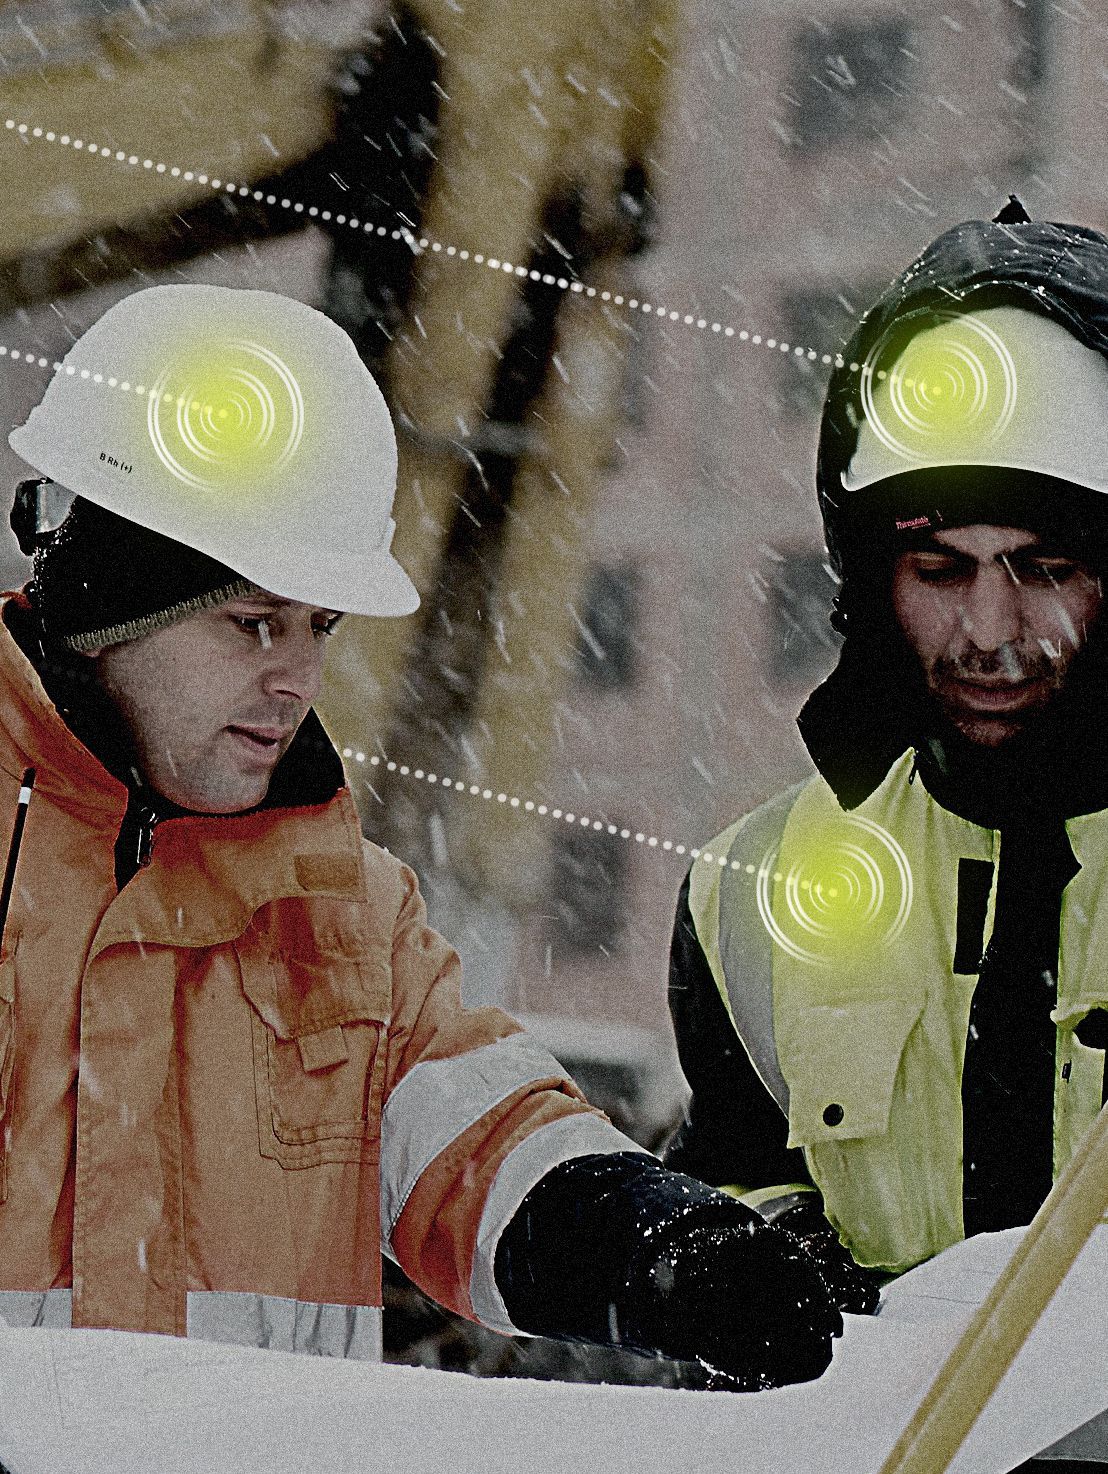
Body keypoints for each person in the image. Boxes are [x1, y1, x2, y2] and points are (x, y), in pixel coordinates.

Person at [0, 282, 869, 1392]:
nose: (298, 679)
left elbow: (486, 1150)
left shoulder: (347, 916)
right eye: (254, 621)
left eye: (318, 626)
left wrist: (666, 1251)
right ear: (107, 600)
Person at [665, 202, 1108, 1359]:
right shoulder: (751, 894)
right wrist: (760, 1281)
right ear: (870, 580)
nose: (990, 629)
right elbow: (740, 1195)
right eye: (937, 569)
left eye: (1044, 567)